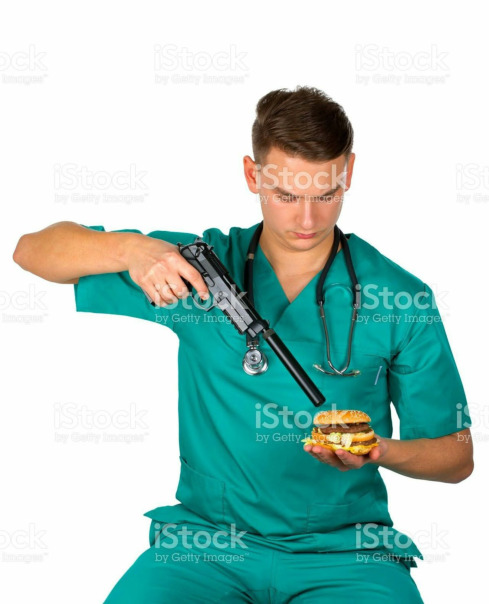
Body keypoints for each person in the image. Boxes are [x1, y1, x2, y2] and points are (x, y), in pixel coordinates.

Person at [13, 86, 473, 603]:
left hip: (347, 553)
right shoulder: (195, 270)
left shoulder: (400, 299)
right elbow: (32, 252)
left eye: (325, 195)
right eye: (286, 196)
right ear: (253, 176)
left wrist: (379, 450)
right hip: (206, 546)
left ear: (348, 172)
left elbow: (455, 457)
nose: (307, 220)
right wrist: (133, 250)